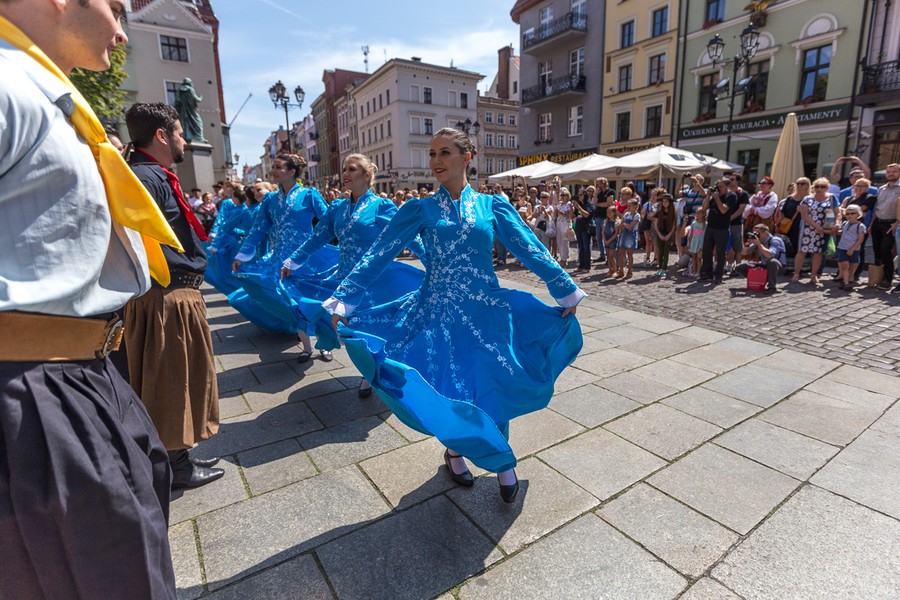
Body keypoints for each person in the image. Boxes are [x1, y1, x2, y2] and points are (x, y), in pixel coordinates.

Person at [0, 3, 180, 598]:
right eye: (116, 7)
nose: (122, 30)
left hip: (84, 370)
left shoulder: (47, 98)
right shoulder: (8, 87)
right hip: (33, 388)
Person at [325, 128, 585, 503]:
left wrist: (563, 287)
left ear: (467, 157)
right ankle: (461, 453)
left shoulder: (492, 206)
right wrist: (344, 298)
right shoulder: (420, 209)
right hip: (437, 316)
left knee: (492, 383)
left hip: (486, 313)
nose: (435, 161)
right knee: (453, 389)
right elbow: (379, 252)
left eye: (444, 152)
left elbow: (528, 247)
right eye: (432, 154)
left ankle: (499, 460)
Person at [124, 102, 223, 490]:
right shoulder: (144, 178)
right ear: (162, 136)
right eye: (180, 133)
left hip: (172, 294)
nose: (184, 139)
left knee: (181, 377)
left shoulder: (151, 175)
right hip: (165, 296)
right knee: (171, 381)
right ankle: (175, 467)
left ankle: (178, 457)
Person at [279, 153, 425, 385]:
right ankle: (370, 369)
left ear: (367, 175)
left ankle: (371, 375)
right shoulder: (337, 207)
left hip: (375, 282)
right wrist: (292, 261)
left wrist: (433, 263)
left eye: (352, 169)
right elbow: (317, 238)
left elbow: (408, 236)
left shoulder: (381, 206)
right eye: (345, 169)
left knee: (367, 330)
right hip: (344, 279)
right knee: (350, 328)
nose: (345, 173)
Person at [230, 154, 336, 356]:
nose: (274, 171)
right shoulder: (270, 199)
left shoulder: (309, 195)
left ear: (292, 172)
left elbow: (328, 222)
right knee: (290, 302)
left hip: (307, 258)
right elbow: (258, 228)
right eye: (274, 167)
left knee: (314, 301)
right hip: (280, 260)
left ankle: (325, 344)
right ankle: (306, 347)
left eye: (279, 167)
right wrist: (241, 256)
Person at [206, 182, 254, 295]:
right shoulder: (247, 208)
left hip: (230, 241)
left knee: (226, 267)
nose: (224, 189)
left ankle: (237, 291)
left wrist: (215, 237)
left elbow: (223, 222)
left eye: (226, 187)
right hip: (242, 241)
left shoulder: (231, 205)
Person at [792, 177, 840, 285]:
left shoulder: (832, 198)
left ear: (827, 188)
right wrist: (816, 226)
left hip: (824, 229)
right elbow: (804, 215)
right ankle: (796, 274)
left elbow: (838, 213)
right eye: (817, 186)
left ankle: (814, 275)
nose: (819, 189)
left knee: (818, 252)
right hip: (807, 228)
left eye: (822, 186)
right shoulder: (807, 199)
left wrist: (837, 223)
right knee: (802, 250)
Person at [700, 178, 738, 283]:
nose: (719, 189)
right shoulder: (715, 195)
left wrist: (717, 198)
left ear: (727, 186)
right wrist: (708, 195)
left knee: (720, 253)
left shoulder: (731, 196)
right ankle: (707, 274)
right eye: (718, 186)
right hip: (710, 227)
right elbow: (704, 208)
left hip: (722, 229)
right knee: (707, 251)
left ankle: (718, 276)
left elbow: (723, 210)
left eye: (721, 186)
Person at [732, 224, 786, 293]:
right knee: (739, 267)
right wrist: (747, 244)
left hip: (778, 267)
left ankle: (772, 287)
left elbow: (770, 255)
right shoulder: (758, 240)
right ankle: (759, 280)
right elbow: (744, 253)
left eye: (758, 233)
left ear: (765, 232)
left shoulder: (775, 240)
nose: (756, 235)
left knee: (772, 262)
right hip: (764, 265)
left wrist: (759, 244)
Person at [870, 163, 899, 291]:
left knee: (886, 250)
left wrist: (897, 223)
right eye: (889, 172)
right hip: (878, 222)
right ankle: (878, 277)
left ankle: (888, 279)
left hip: (891, 223)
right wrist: (871, 224)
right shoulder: (881, 189)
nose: (891, 174)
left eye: (894, 171)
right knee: (877, 250)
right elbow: (878, 208)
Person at [774, 177, 808, 270]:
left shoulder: (809, 199)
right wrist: (777, 224)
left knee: (801, 248)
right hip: (788, 227)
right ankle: (788, 267)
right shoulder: (789, 199)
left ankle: (801, 268)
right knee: (788, 246)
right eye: (798, 183)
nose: (800, 185)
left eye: (802, 183)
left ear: (807, 186)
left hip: (803, 227)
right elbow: (783, 213)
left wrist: (802, 211)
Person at [836, 204, 866, 290]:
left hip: (854, 249)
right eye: (848, 214)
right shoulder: (845, 223)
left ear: (858, 214)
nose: (850, 215)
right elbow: (842, 232)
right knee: (845, 265)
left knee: (853, 266)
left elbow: (860, 239)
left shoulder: (860, 226)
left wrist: (852, 249)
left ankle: (849, 279)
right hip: (842, 247)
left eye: (852, 213)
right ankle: (846, 283)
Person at [653, 193, 677, 277]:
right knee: (660, 252)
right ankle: (660, 268)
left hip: (668, 234)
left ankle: (664, 269)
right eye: (663, 202)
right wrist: (659, 234)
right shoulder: (659, 212)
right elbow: (655, 224)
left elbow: (674, 226)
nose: (665, 203)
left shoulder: (673, 213)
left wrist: (669, 235)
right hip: (660, 233)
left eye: (666, 201)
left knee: (666, 252)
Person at [618, 198, 641, 279]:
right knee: (621, 252)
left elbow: (630, 226)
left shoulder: (637, 215)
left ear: (635, 206)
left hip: (631, 235)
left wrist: (624, 224)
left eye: (630, 205)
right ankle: (621, 270)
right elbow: (622, 224)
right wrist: (623, 225)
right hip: (624, 234)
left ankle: (630, 271)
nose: (628, 207)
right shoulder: (626, 214)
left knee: (629, 254)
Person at [593, 178, 615, 263]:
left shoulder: (610, 192)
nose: (597, 185)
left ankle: (608, 256)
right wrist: (595, 194)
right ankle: (602, 255)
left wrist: (598, 204)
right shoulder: (599, 193)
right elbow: (594, 203)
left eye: (598, 183)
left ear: (604, 183)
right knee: (598, 237)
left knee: (606, 236)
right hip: (597, 216)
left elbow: (608, 204)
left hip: (606, 217)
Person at [572, 188, 594, 273]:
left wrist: (579, 207)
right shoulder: (579, 205)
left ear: (585, 195)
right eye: (578, 195)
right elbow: (572, 216)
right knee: (580, 247)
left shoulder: (589, 205)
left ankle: (587, 266)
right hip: (579, 227)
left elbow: (587, 215)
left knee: (586, 247)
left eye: (581, 195)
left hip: (586, 228)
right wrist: (571, 208)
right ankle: (581, 266)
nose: (579, 196)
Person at [553, 185, 574, 266]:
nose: (562, 196)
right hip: (559, 223)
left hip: (566, 223)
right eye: (561, 195)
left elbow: (571, 215)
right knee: (559, 240)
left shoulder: (569, 204)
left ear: (568, 196)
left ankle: (565, 258)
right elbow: (555, 214)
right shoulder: (559, 204)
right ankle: (562, 257)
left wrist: (564, 213)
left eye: (564, 195)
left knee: (565, 241)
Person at [687, 206, 707, 277]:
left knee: (699, 258)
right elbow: (691, 234)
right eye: (697, 213)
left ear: (703, 214)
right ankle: (693, 271)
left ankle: (698, 272)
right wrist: (689, 243)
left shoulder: (705, 224)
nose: (698, 215)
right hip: (694, 242)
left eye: (700, 213)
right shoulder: (694, 223)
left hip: (701, 243)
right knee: (694, 258)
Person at [602, 206, 620, 278]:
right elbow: (603, 231)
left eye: (610, 212)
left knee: (611, 256)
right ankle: (610, 270)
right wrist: (605, 240)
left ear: (614, 213)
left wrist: (609, 241)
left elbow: (616, 233)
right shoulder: (606, 221)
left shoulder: (616, 222)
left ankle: (615, 270)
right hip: (606, 239)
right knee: (608, 256)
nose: (608, 214)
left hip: (613, 240)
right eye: (607, 212)